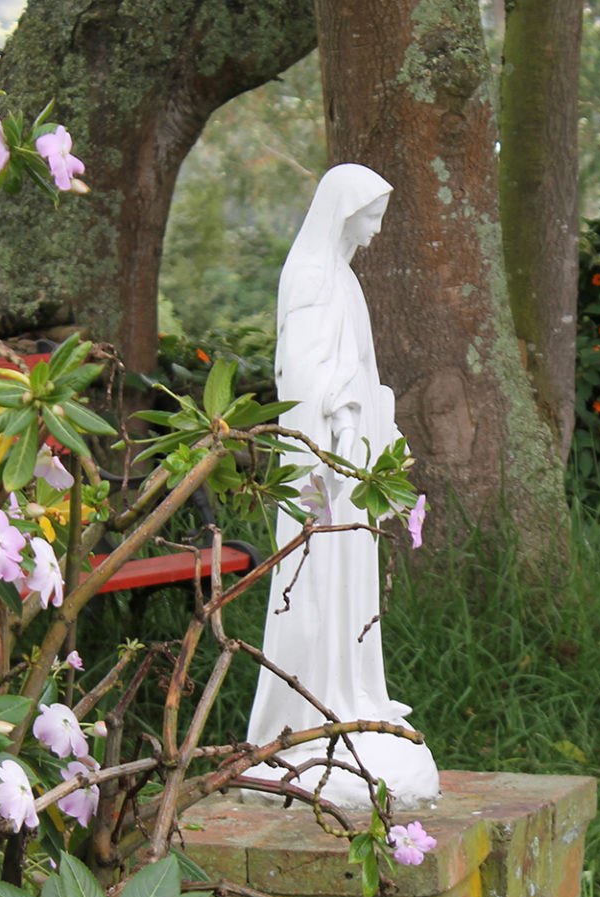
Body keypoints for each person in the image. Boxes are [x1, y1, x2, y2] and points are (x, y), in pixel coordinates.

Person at [244, 164, 440, 809]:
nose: (378, 228)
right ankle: (309, 714)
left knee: (349, 587)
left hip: (353, 455)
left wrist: (374, 412)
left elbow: (356, 367)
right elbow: (303, 377)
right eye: (371, 213)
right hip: (323, 462)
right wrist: (340, 417)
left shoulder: (344, 279)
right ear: (342, 210)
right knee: (317, 585)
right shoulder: (310, 278)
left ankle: (354, 696)